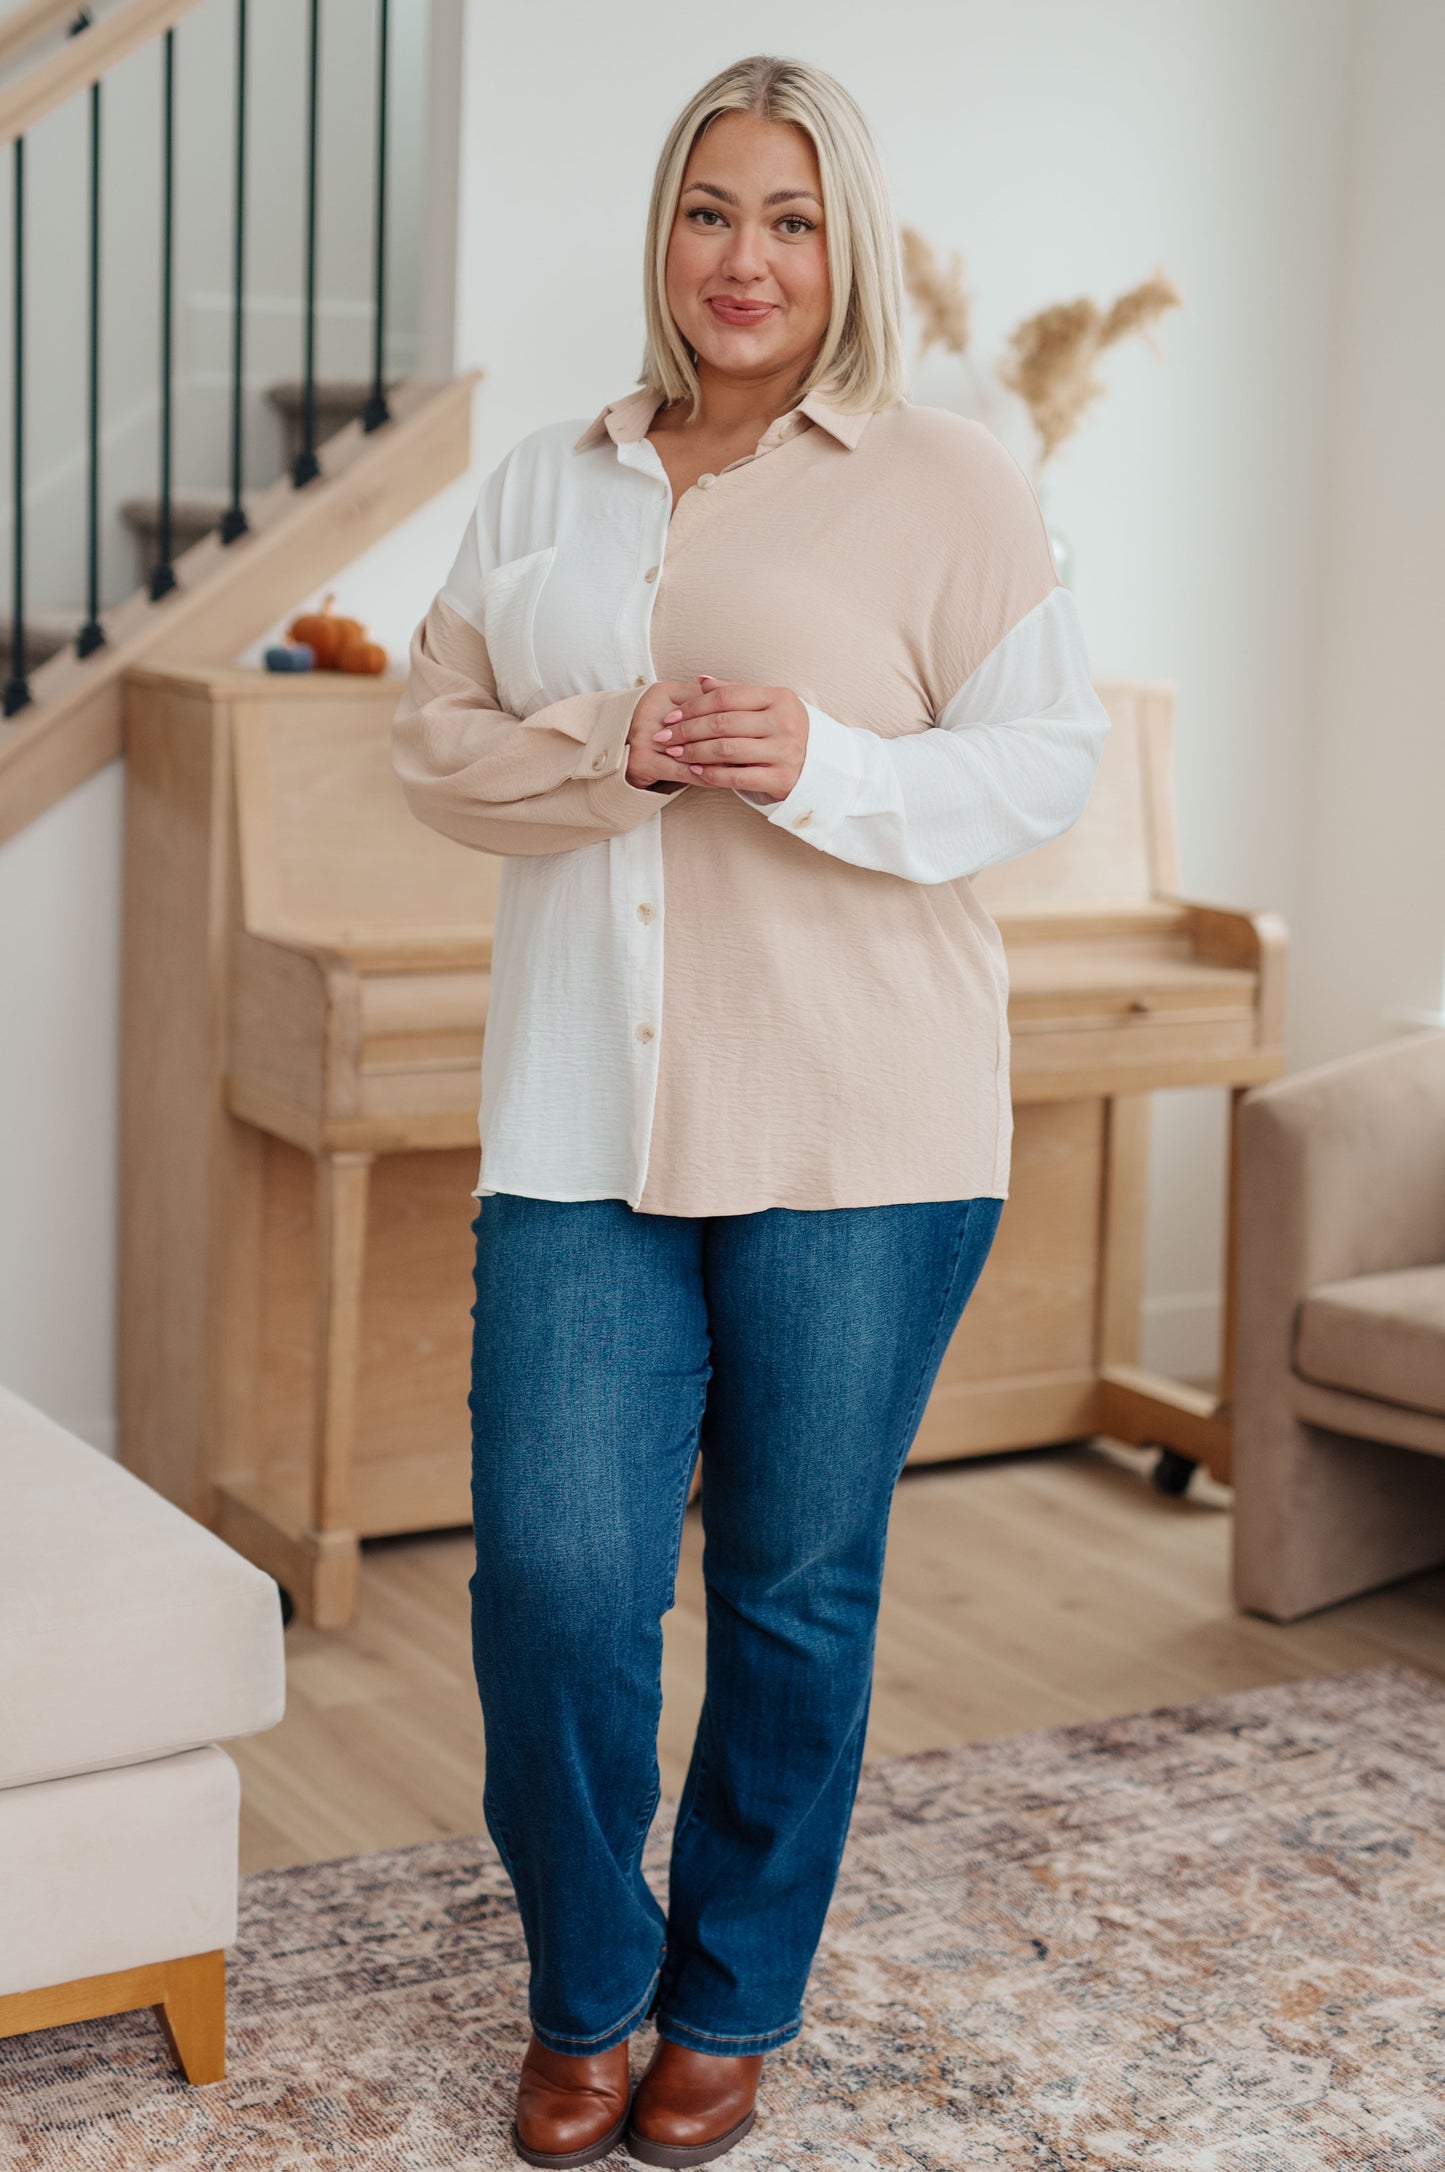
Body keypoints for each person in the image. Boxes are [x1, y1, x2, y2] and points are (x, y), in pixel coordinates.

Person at [392, 50, 1109, 2171]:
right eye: (714, 210)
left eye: (792, 219)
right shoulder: (546, 481)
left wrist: (822, 761)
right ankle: (590, 1980)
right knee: (555, 1583)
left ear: (846, 245)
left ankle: (729, 1995)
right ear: (665, 232)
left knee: (795, 1588)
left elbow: (1043, 765)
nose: (747, 257)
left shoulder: (950, 480)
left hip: (861, 1135)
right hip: (579, 1134)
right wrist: (617, 736)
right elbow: (433, 751)